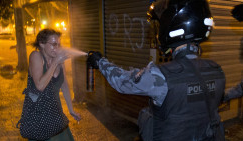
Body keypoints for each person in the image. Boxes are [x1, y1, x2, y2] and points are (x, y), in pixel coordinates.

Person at [87, 0, 226, 140]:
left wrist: (100, 62)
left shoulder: (162, 76)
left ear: (173, 27)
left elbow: (122, 82)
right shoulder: (217, 71)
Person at [18, 29, 81, 141]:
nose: (57, 48)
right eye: (53, 44)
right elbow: (40, 86)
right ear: (41, 44)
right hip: (39, 118)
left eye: (58, 44)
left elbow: (65, 85)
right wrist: (56, 62)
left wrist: (71, 109)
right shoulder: (36, 56)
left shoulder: (59, 61)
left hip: (56, 116)